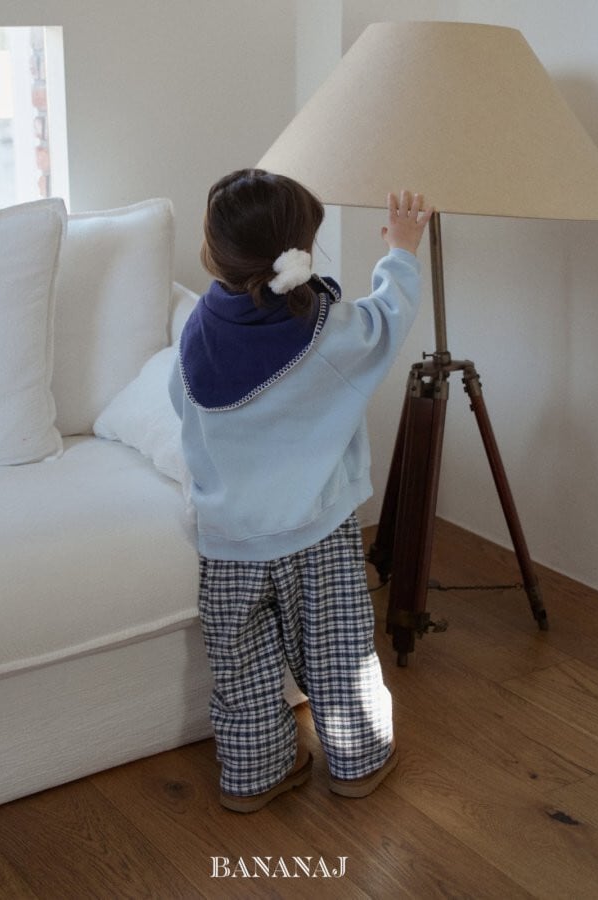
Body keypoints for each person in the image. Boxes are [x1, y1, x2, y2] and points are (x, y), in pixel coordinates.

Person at [169, 168, 433, 812]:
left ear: (214, 252)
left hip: (229, 542)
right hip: (318, 531)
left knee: (243, 667)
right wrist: (401, 251)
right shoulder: (328, 329)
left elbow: (185, 407)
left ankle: (255, 775)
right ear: (299, 249)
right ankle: (358, 762)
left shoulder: (198, 330)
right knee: (338, 653)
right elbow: (387, 320)